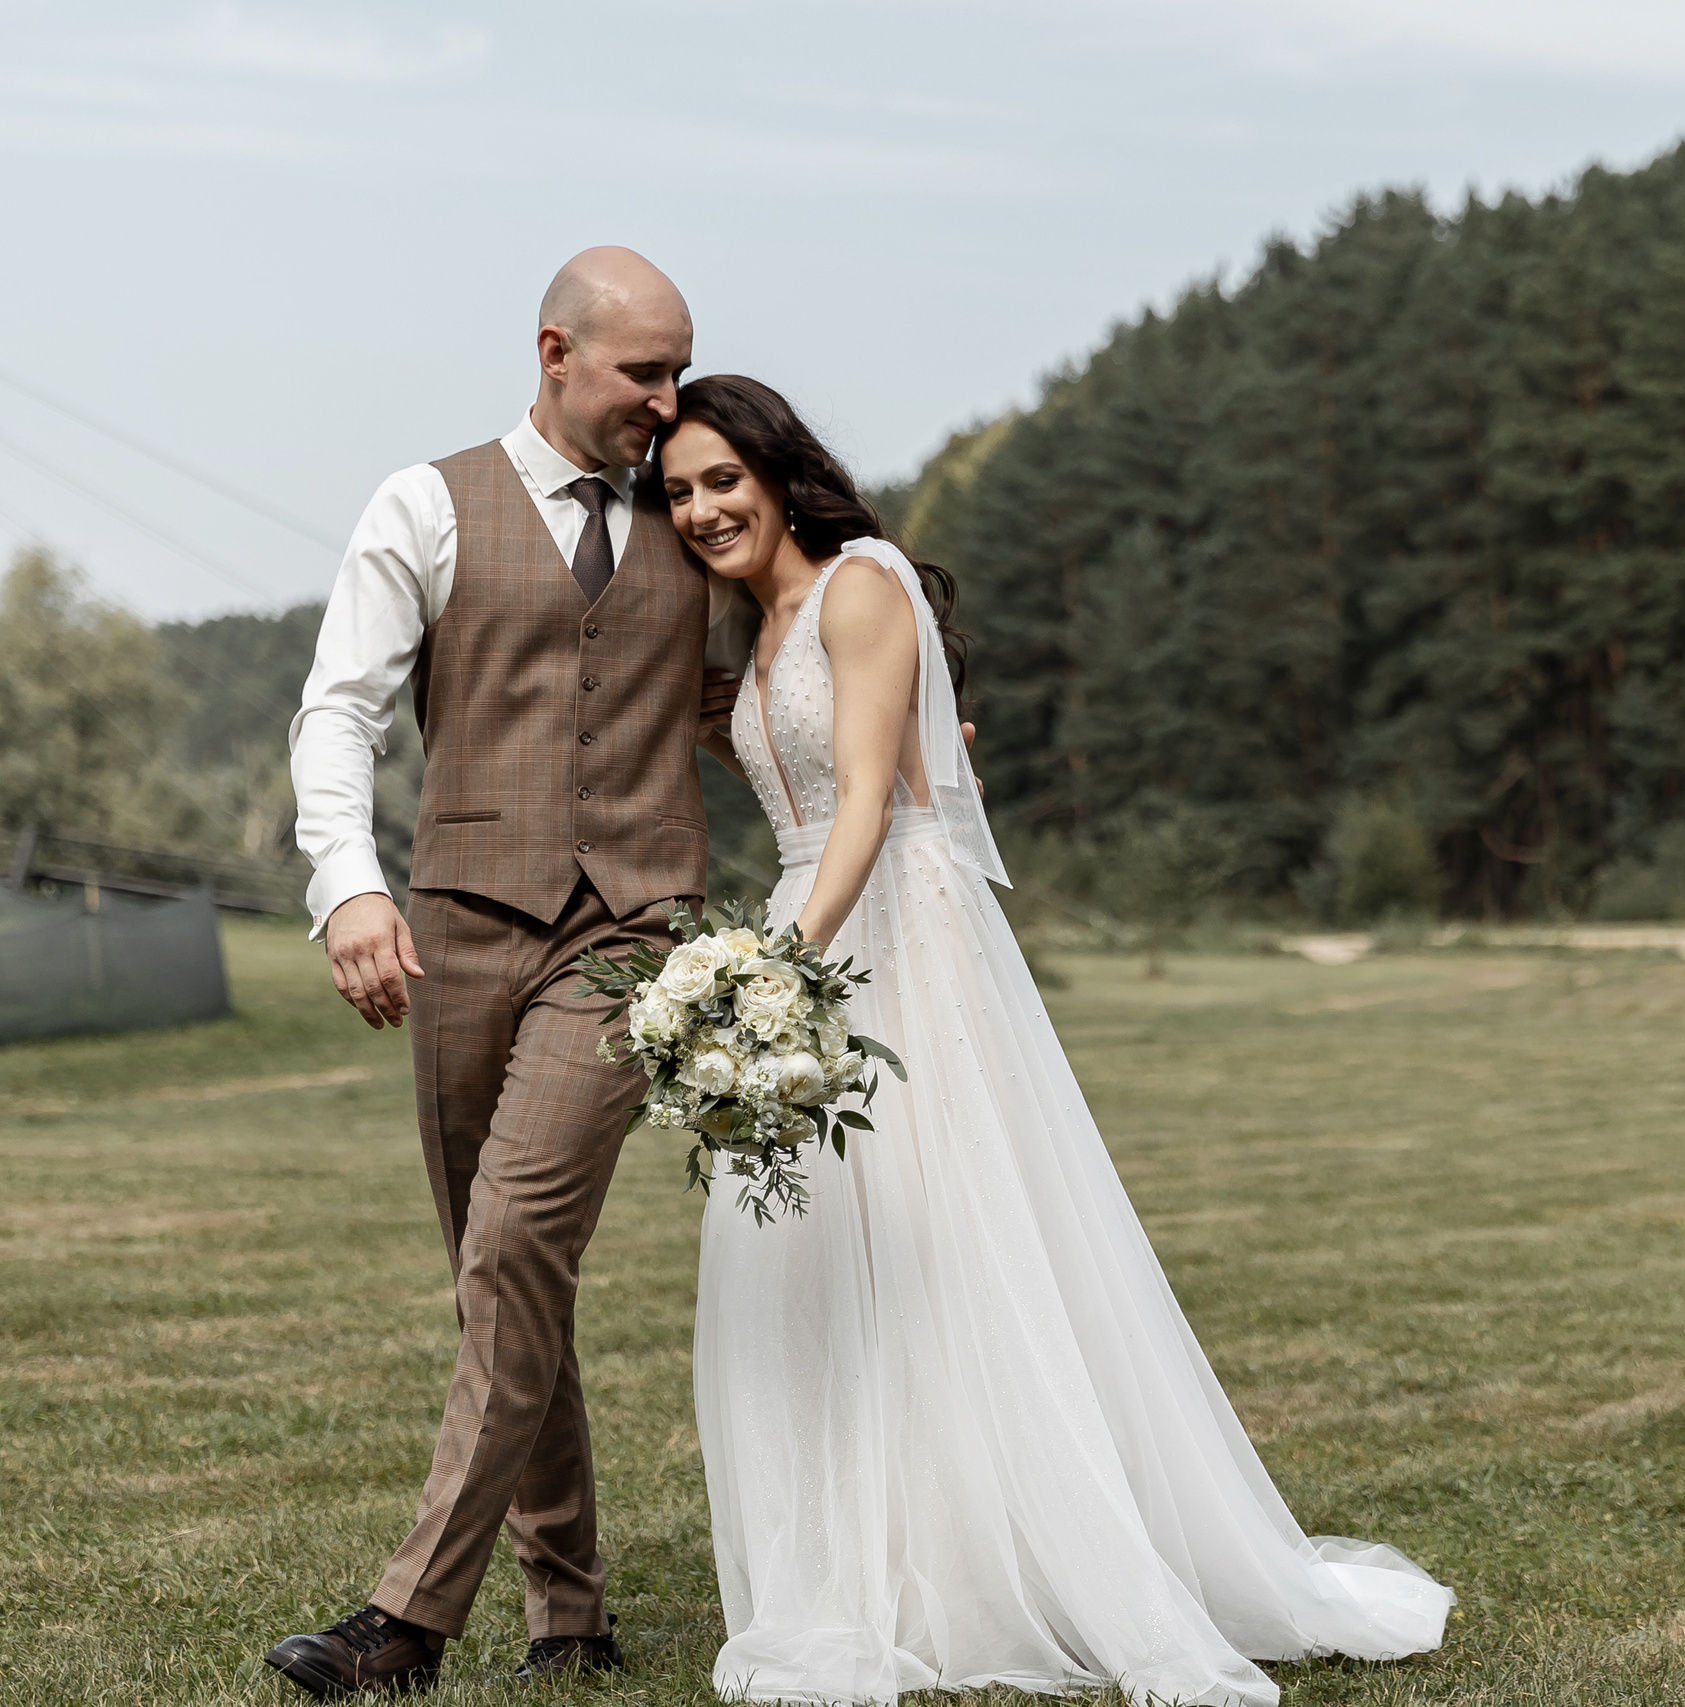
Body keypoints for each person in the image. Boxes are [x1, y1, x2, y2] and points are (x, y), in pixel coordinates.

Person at [663, 374, 1452, 1707]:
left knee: (951, 1236)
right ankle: (886, 1567)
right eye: (679, 492)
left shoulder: (859, 586)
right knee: (822, 1254)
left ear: (779, 473)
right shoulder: (754, 631)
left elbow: (865, 803)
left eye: (721, 480)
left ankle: (1024, 1558)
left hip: (885, 927)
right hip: (812, 917)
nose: (701, 510)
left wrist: (780, 970)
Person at [270, 247, 750, 1697]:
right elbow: (338, 713)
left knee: (515, 1240)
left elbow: (752, 693)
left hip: (633, 934)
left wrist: (903, 730)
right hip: (464, 930)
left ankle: (406, 1622)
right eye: (643, 373)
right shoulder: (426, 504)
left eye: (678, 371)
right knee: (500, 1276)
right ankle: (571, 1615)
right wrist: (350, 886)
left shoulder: (693, 514)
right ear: (555, 353)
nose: (666, 400)